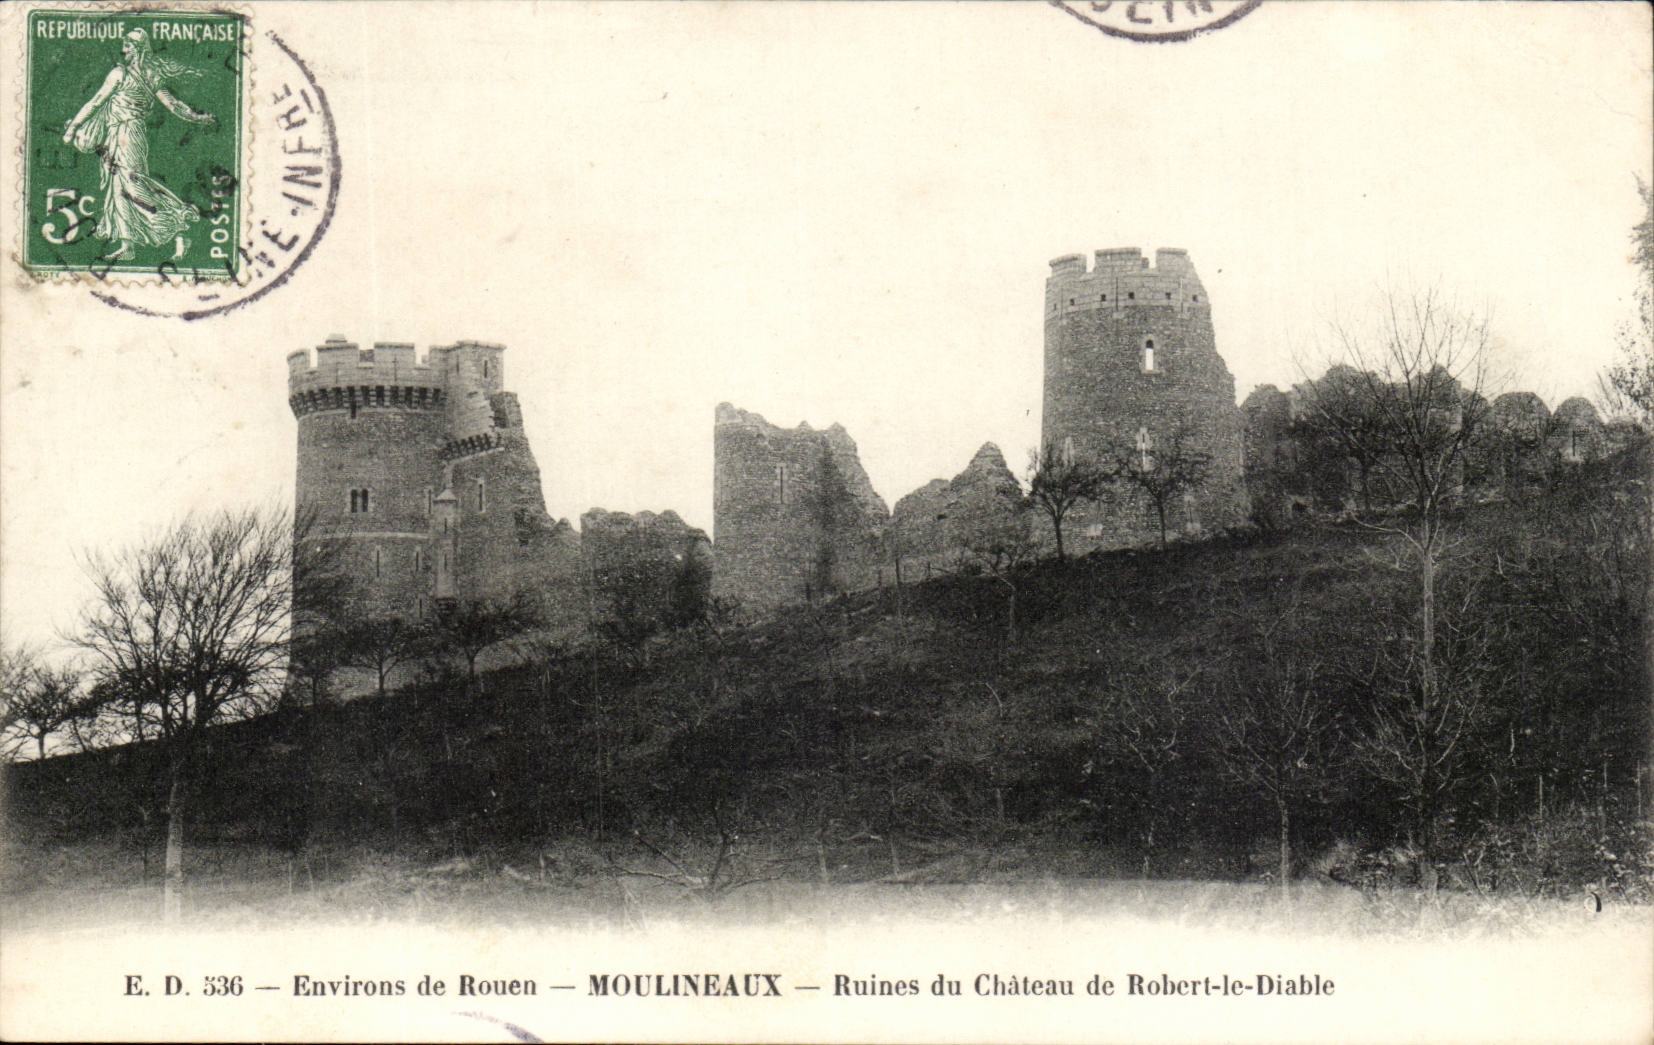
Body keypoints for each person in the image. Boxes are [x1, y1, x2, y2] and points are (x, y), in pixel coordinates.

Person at [61, 28, 217, 261]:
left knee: (133, 187)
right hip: (122, 135)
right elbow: (174, 105)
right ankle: (128, 246)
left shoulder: (120, 74)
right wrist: (195, 117)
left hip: (127, 135)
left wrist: (73, 128)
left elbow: (95, 103)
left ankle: (179, 229)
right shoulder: (151, 75)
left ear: (135, 49)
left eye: (126, 46)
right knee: (119, 189)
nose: (123, 50)